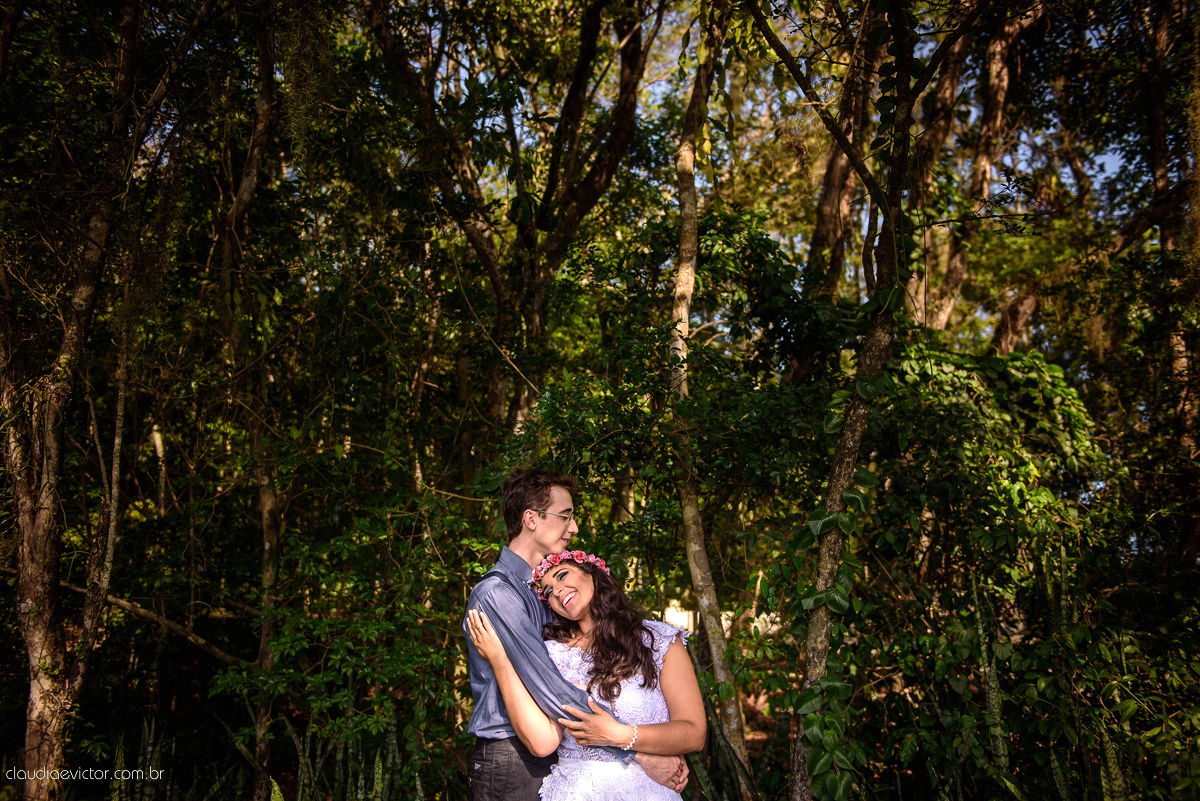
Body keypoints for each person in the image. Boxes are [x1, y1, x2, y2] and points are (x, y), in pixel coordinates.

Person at [462, 468, 688, 801]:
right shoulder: (498, 594)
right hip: (512, 757)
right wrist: (638, 753)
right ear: (531, 519)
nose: (574, 527)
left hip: (552, 758)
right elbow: (550, 686)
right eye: (565, 516)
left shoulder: (543, 592)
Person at [467, 549, 706, 799]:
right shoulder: (551, 654)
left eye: (561, 576)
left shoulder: (658, 641)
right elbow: (542, 742)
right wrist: (501, 661)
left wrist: (620, 735)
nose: (556, 591)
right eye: (547, 592)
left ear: (592, 573)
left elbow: (694, 733)